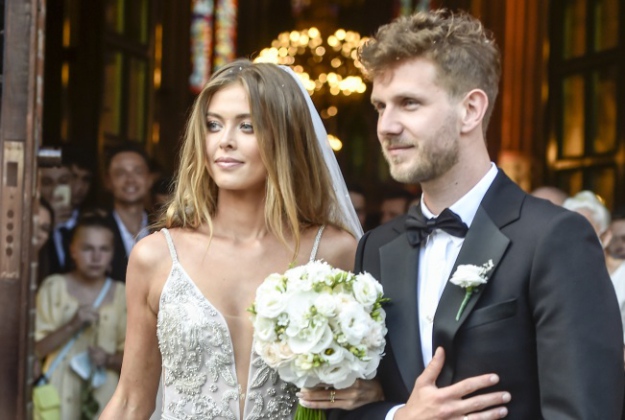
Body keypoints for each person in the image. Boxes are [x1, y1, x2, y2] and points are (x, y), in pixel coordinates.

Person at [329, 9, 624, 419]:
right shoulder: (376, 247)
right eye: (380, 106)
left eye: (409, 103)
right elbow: (352, 408)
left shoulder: (555, 238)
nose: (386, 126)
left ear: (470, 109)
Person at [101, 60, 380, 419]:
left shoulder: (333, 252)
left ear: (285, 137)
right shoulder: (156, 256)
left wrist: (371, 391)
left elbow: (368, 384)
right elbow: (130, 401)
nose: (225, 141)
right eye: (213, 125)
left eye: (247, 126)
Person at [35, 212, 126, 419]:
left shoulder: (122, 294)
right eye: (87, 248)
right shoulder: (53, 287)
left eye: (104, 249)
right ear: (72, 250)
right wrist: (72, 325)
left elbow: (136, 357)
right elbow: (35, 350)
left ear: (113, 253)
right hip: (58, 396)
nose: (96, 257)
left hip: (104, 399)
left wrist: (108, 359)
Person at [104, 143, 153, 282]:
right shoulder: (99, 229)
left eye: (138, 172)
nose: (130, 180)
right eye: (120, 173)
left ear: (149, 179)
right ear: (108, 181)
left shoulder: (164, 228)